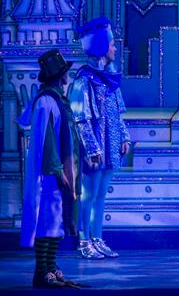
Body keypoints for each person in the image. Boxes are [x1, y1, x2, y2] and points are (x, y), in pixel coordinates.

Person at [18, 50, 82, 288]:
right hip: (49, 175)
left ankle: (51, 266)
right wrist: (58, 170)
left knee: (56, 221)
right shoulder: (46, 101)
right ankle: (42, 271)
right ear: (58, 75)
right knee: (47, 221)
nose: (67, 76)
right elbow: (47, 141)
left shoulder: (57, 99)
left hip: (59, 171)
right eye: (65, 72)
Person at [70, 17, 130, 260]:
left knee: (102, 194)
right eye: (112, 44)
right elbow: (80, 118)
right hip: (94, 147)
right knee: (89, 194)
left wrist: (124, 136)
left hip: (110, 144)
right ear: (101, 47)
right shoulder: (85, 79)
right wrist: (92, 149)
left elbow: (117, 113)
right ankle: (84, 240)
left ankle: (97, 238)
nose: (115, 48)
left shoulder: (110, 76)